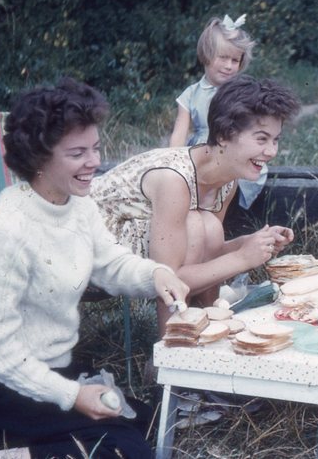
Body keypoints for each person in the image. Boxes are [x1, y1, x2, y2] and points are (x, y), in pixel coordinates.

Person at [0, 78, 190, 458]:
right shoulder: (8, 229)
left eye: (96, 148)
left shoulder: (78, 205)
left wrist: (156, 274)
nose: (94, 162)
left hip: (56, 369)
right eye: (77, 153)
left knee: (154, 421)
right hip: (0, 385)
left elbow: (109, 263)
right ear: (40, 158)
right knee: (126, 451)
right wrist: (72, 396)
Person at [91, 74, 300, 333]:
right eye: (261, 139)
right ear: (224, 135)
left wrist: (249, 243)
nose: (271, 151)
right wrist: (243, 258)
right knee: (195, 223)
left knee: (208, 226)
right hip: (88, 248)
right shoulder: (174, 179)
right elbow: (171, 278)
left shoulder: (226, 180)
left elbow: (205, 252)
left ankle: (206, 331)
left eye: (275, 139)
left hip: (143, 250)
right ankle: (168, 350)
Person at [169, 14, 265, 210]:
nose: (229, 66)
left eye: (235, 60)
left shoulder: (242, 92)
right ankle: (198, 217)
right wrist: (173, 160)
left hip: (233, 149)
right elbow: (180, 132)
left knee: (225, 180)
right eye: (223, 58)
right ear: (207, 55)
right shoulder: (191, 94)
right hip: (202, 151)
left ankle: (216, 221)